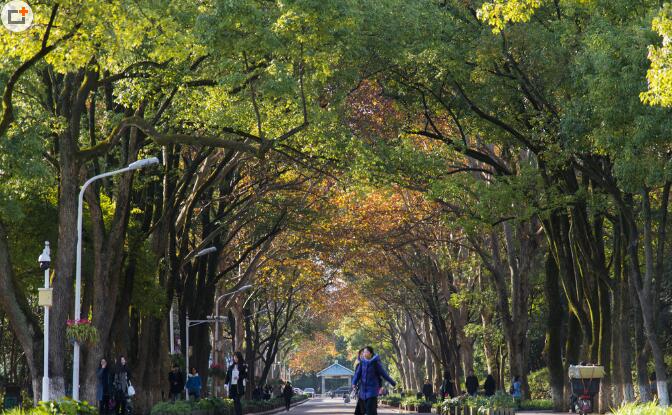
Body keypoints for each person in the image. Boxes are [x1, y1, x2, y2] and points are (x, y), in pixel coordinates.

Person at [352, 346, 397, 415]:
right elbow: (357, 374)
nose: (364, 353)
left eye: (366, 352)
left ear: (370, 353)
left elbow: (384, 374)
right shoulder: (362, 363)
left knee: (371, 411)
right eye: (363, 352)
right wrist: (354, 383)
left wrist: (392, 382)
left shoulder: (375, 363)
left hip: (372, 391)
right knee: (359, 412)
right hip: (362, 392)